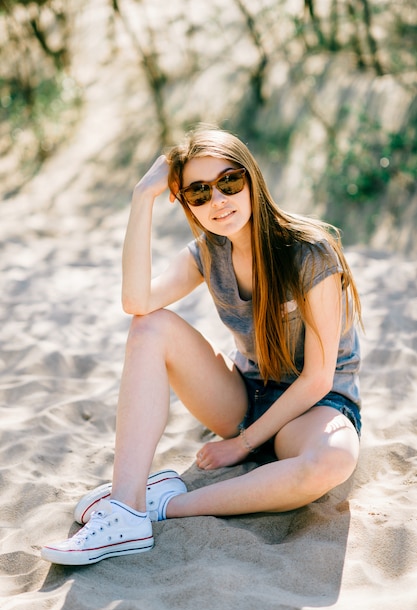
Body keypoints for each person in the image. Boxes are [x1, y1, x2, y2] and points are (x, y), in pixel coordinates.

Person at [41, 125, 362, 566]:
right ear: (189, 203)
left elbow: (317, 378)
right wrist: (143, 197)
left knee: (331, 463)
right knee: (149, 326)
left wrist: (243, 444)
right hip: (246, 396)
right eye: (199, 192)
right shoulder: (208, 253)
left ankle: (160, 506)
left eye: (229, 181)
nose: (219, 200)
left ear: (251, 178)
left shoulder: (310, 252)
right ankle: (124, 505)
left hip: (316, 406)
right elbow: (136, 301)